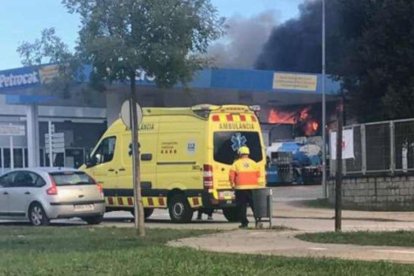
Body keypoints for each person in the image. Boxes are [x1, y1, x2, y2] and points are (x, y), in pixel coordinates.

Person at [229, 146, 260, 228]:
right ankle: (258, 221)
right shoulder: (254, 163)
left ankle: (244, 223)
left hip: (240, 188)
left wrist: (232, 184)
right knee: (254, 206)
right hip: (253, 188)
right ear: (248, 153)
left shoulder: (236, 163)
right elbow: (258, 175)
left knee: (241, 206)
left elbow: (231, 175)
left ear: (239, 154)